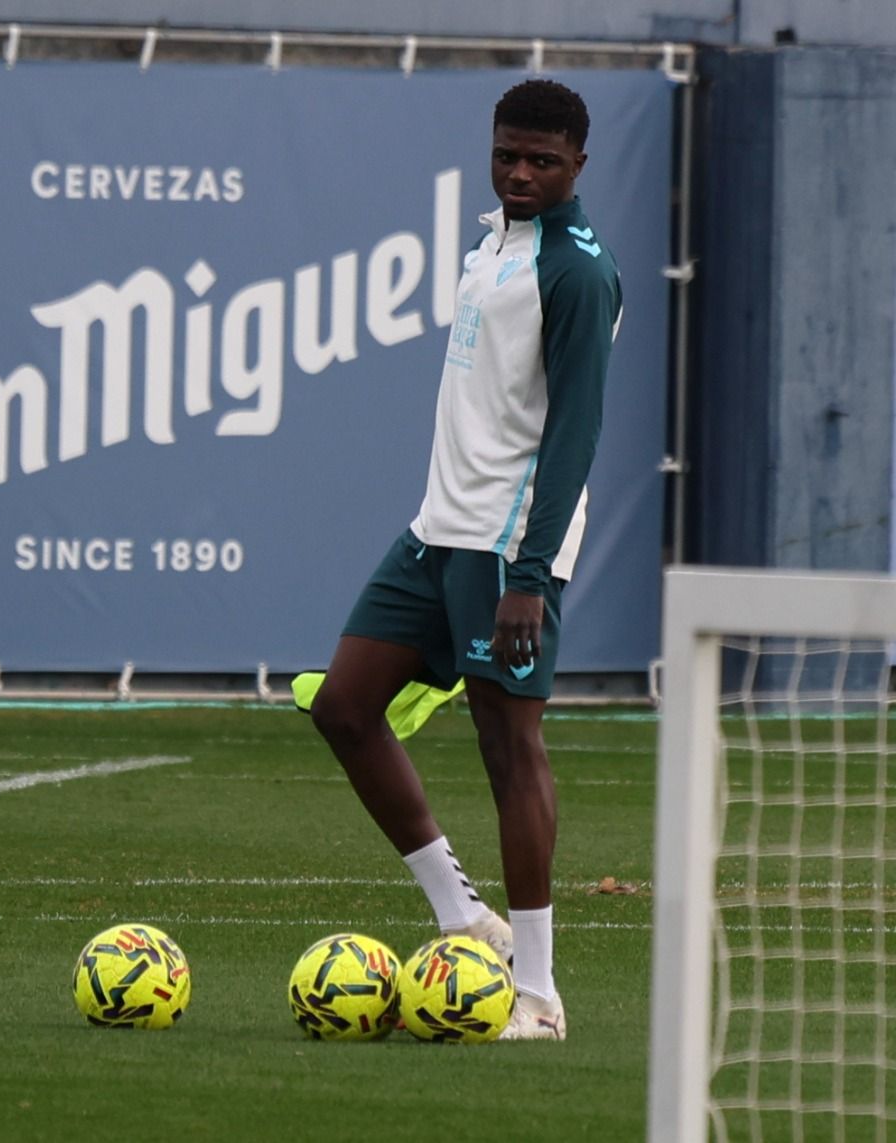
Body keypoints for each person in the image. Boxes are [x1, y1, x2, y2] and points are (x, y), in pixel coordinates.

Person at [309, 79, 621, 1042]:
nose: (520, 172)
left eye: (541, 160)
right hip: (437, 529)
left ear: (579, 164)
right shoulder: (492, 243)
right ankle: (461, 917)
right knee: (345, 707)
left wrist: (529, 577)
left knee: (510, 750)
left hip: (505, 549)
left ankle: (538, 994)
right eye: (506, 155)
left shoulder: (575, 272)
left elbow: (574, 433)